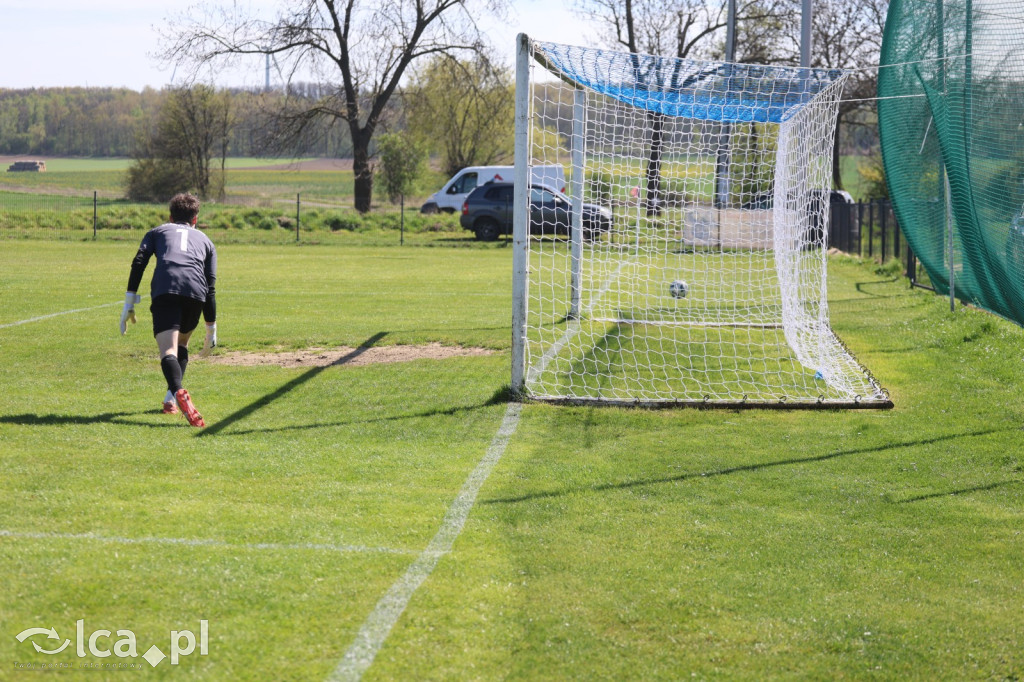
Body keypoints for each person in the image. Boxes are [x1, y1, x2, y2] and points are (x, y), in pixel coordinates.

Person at [120, 192, 217, 427]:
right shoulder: (206, 241)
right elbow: (211, 286)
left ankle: (180, 393)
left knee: (168, 352)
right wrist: (211, 328)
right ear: (195, 219)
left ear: (170, 217)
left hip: (166, 290)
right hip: (196, 294)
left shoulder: (157, 231)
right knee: (182, 345)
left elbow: (139, 261)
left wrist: (129, 302)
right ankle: (170, 399)